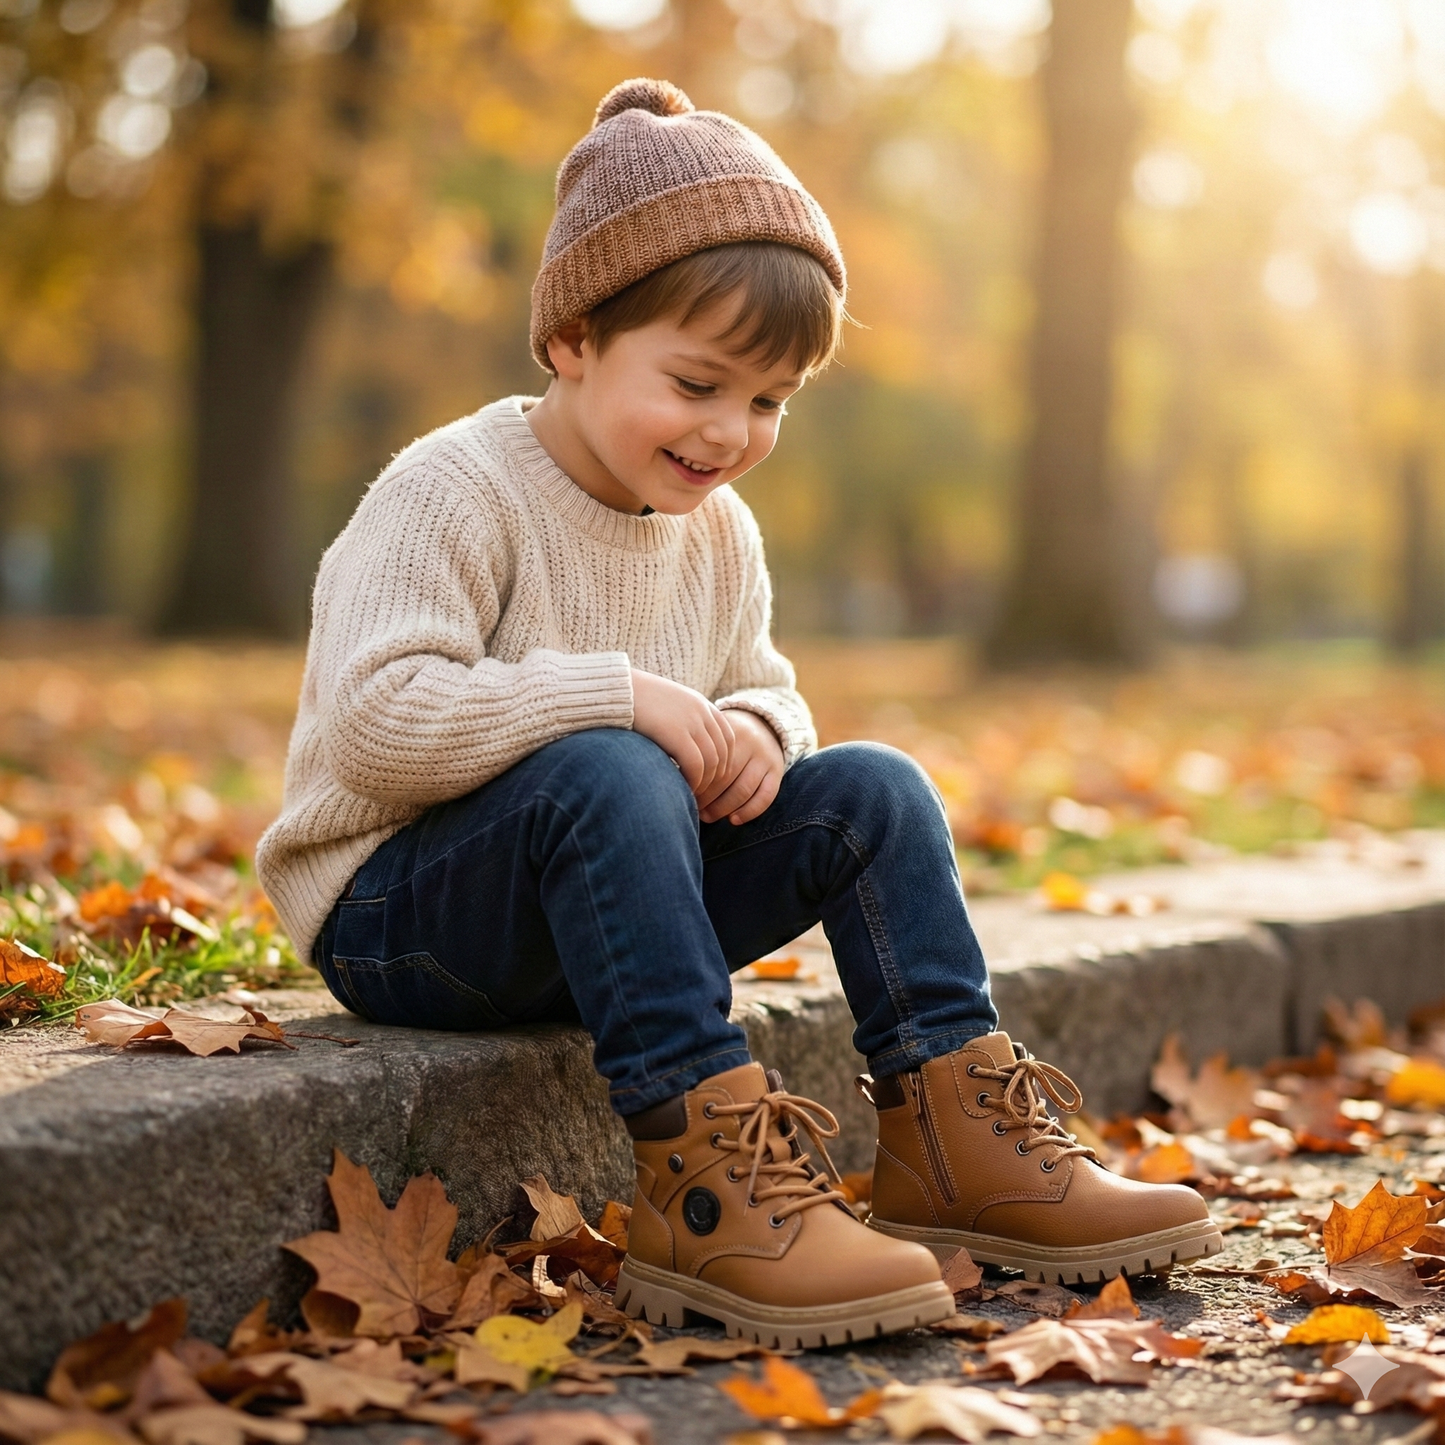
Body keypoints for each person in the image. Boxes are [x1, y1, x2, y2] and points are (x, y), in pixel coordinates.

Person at [257, 77, 1221, 1350]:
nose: (727, 433)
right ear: (573, 338)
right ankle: (708, 1189)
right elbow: (376, 719)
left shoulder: (716, 532)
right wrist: (621, 696)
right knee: (610, 765)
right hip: (407, 916)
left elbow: (761, 685)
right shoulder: (452, 489)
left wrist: (762, 735)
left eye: (767, 401)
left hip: (602, 902)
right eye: (697, 382)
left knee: (873, 787)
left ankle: (956, 1140)